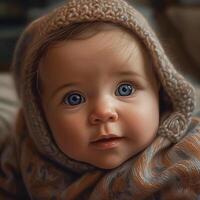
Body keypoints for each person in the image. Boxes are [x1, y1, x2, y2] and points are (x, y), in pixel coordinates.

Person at [0, 0, 200, 199]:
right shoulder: (26, 152)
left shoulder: (186, 157)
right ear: (40, 114)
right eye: (74, 98)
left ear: (160, 90)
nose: (103, 112)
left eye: (125, 89)